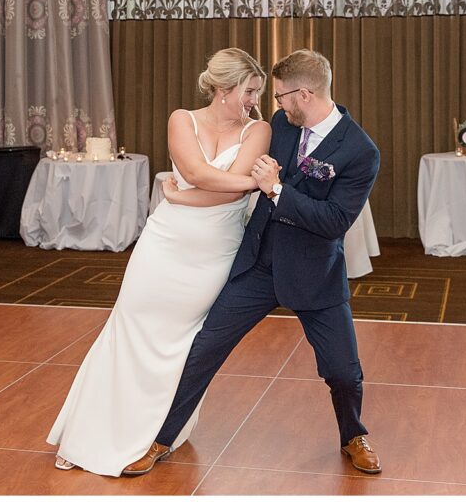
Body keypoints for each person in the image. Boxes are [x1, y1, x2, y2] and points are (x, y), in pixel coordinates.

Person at [123, 49, 383, 477]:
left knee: (342, 370)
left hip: (315, 274)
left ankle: (352, 434)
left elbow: (335, 222)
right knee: (204, 350)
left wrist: (277, 190)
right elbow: (236, 167)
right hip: (259, 265)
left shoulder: (359, 150)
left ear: (304, 94)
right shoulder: (280, 124)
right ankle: (161, 438)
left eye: (280, 96)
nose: (273, 104)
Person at [47, 48, 272, 476]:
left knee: (180, 343)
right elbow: (204, 175)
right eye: (248, 90)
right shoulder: (181, 119)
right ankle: (87, 435)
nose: (254, 99)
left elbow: (229, 192)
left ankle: (158, 433)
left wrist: (182, 194)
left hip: (214, 253)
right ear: (223, 89)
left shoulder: (257, 130)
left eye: (256, 91)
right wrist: (253, 183)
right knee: (128, 330)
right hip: (164, 245)